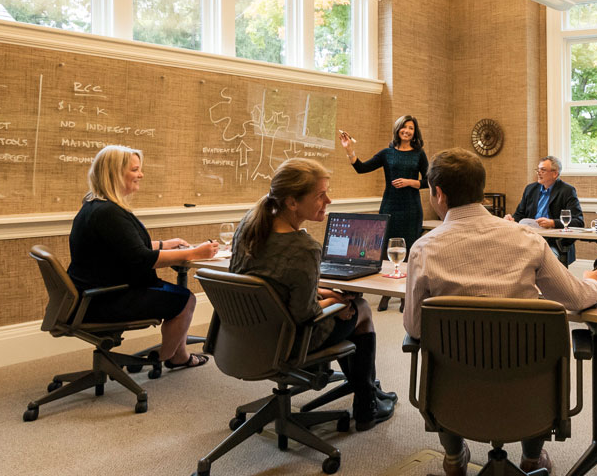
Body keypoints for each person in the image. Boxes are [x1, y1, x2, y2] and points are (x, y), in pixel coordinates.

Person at [404, 148, 597, 476]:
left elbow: (414, 327)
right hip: (530, 399)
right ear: (482, 190)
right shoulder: (527, 239)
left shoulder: (424, 249)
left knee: (441, 352)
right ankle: (531, 458)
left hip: (454, 397)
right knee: (529, 350)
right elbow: (576, 299)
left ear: (438, 193)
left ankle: (454, 458)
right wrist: (594, 282)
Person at [230, 158, 395, 431]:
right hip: (289, 342)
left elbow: (271, 285)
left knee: (347, 304)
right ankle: (367, 406)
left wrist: (325, 293)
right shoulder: (304, 248)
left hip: (247, 337)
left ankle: (367, 394)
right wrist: (334, 302)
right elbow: (304, 315)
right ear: (292, 202)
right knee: (362, 308)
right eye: (320, 195)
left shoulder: (249, 227)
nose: (328, 200)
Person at [67, 145, 217, 370]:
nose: (141, 175)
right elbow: (142, 259)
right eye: (135, 169)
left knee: (179, 296)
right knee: (186, 300)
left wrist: (164, 245)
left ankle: (179, 355)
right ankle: (166, 358)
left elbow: (120, 249)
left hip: (93, 293)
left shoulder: (95, 206)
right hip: (107, 298)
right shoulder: (109, 213)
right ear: (115, 173)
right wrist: (195, 253)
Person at [338, 114, 429, 258]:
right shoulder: (387, 153)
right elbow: (361, 168)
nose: (407, 130)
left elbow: (429, 180)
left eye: (411, 128)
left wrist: (410, 182)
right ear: (398, 129)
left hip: (411, 210)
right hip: (390, 206)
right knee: (385, 247)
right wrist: (349, 149)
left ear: (415, 132)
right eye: (404, 127)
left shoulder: (419, 154)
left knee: (410, 248)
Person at [505, 155, 584, 265]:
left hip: (553, 242)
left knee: (542, 260)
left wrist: (552, 223)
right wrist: (512, 219)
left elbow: (578, 222)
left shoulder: (567, 191)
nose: (538, 173)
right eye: (538, 169)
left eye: (543, 170)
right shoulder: (530, 189)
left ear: (555, 173)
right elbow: (520, 214)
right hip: (529, 238)